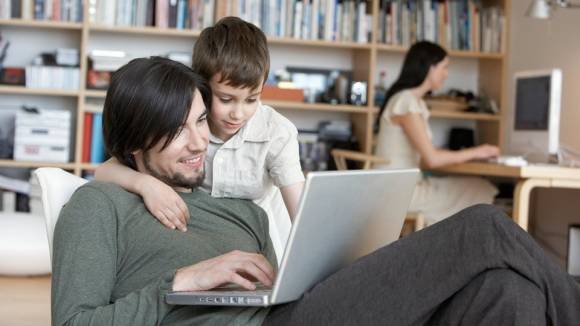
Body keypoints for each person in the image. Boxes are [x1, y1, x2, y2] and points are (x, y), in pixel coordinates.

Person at [52, 56, 580, 326]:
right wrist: (185, 280)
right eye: (179, 131)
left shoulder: (240, 210)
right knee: (483, 228)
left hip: (295, 315)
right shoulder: (101, 206)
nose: (200, 143)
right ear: (135, 138)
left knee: (510, 294)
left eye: (200, 123)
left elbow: (288, 289)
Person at [94, 17, 303, 259]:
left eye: (251, 99)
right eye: (225, 99)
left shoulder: (276, 132)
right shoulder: (187, 122)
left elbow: (299, 210)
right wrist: (145, 185)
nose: (238, 113)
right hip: (202, 237)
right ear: (202, 87)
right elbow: (104, 171)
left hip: (257, 240)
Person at [374, 41, 500, 225]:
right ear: (429, 67)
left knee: (474, 186)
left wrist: (466, 155)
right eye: (444, 67)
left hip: (402, 188)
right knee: (480, 188)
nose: (446, 74)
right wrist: (477, 152)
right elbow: (431, 160)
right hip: (398, 193)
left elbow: (426, 158)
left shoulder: (411, 102)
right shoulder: (406, 102)